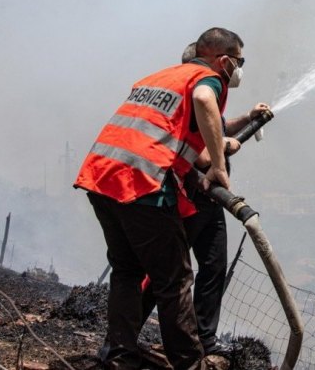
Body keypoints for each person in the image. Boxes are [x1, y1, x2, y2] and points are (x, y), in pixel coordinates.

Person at [75, 27, 245, 369]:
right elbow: (203, 101)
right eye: (239, 62)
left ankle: (120, 357)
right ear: (224, 60)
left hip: (101, 175)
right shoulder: (208, 78)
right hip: (140, 183)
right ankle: (189, 363)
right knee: (176, 280)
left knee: (126, 270)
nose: (239, 69)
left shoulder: (162, 76)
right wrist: (220, 169)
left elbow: (166, 134)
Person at [140, 41, 270, 358]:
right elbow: (198, 154)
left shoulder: (207, 102)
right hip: (186, 197)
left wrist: (249, 117)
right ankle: (131, 332)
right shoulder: (191, 97)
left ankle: (204, 338)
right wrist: (223, 150)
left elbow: (219, 126)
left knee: (213, 267)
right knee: (169, 273)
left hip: (210, 201)